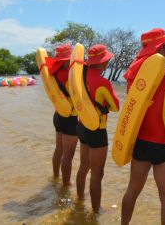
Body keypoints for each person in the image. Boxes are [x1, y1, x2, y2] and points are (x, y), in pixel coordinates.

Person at [121, 28, 165, 225]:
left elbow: (135, 108)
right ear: (160, 51)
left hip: (140, 143)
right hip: (163, 145)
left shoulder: (132, 78)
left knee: (132, 191)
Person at [76, 44, 120, 212]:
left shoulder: (79, 77)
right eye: (107, 60)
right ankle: (96, 211)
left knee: (83, 166)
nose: (107, 63)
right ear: (101, 62)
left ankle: (79, 200)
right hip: (97, 131)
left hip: (81, 126)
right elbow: (115, 106)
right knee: (97, 173)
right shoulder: (103, 82)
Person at [45, 44, 78, 186]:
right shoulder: (69, 74)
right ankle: (66, 185)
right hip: (70, 117)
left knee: (58, 149)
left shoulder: (53, 73)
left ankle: (55, 177)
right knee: (68, 155)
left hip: (58, 115)